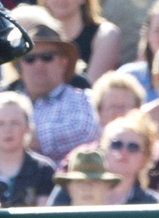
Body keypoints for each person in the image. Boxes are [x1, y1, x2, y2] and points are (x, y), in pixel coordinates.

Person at [11, 11, 102, 163]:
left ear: (64, 62)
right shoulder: (10, 101)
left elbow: (83, 131)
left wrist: (9, 136)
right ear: (20, 65)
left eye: (47, 57)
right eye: (29, 58)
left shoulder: (84, 99)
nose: (38, 64)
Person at [0, 90, 58, 207]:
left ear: (27, 127)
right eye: (0, 124)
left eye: (15, 123)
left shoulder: (43, 169)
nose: (8, 130)